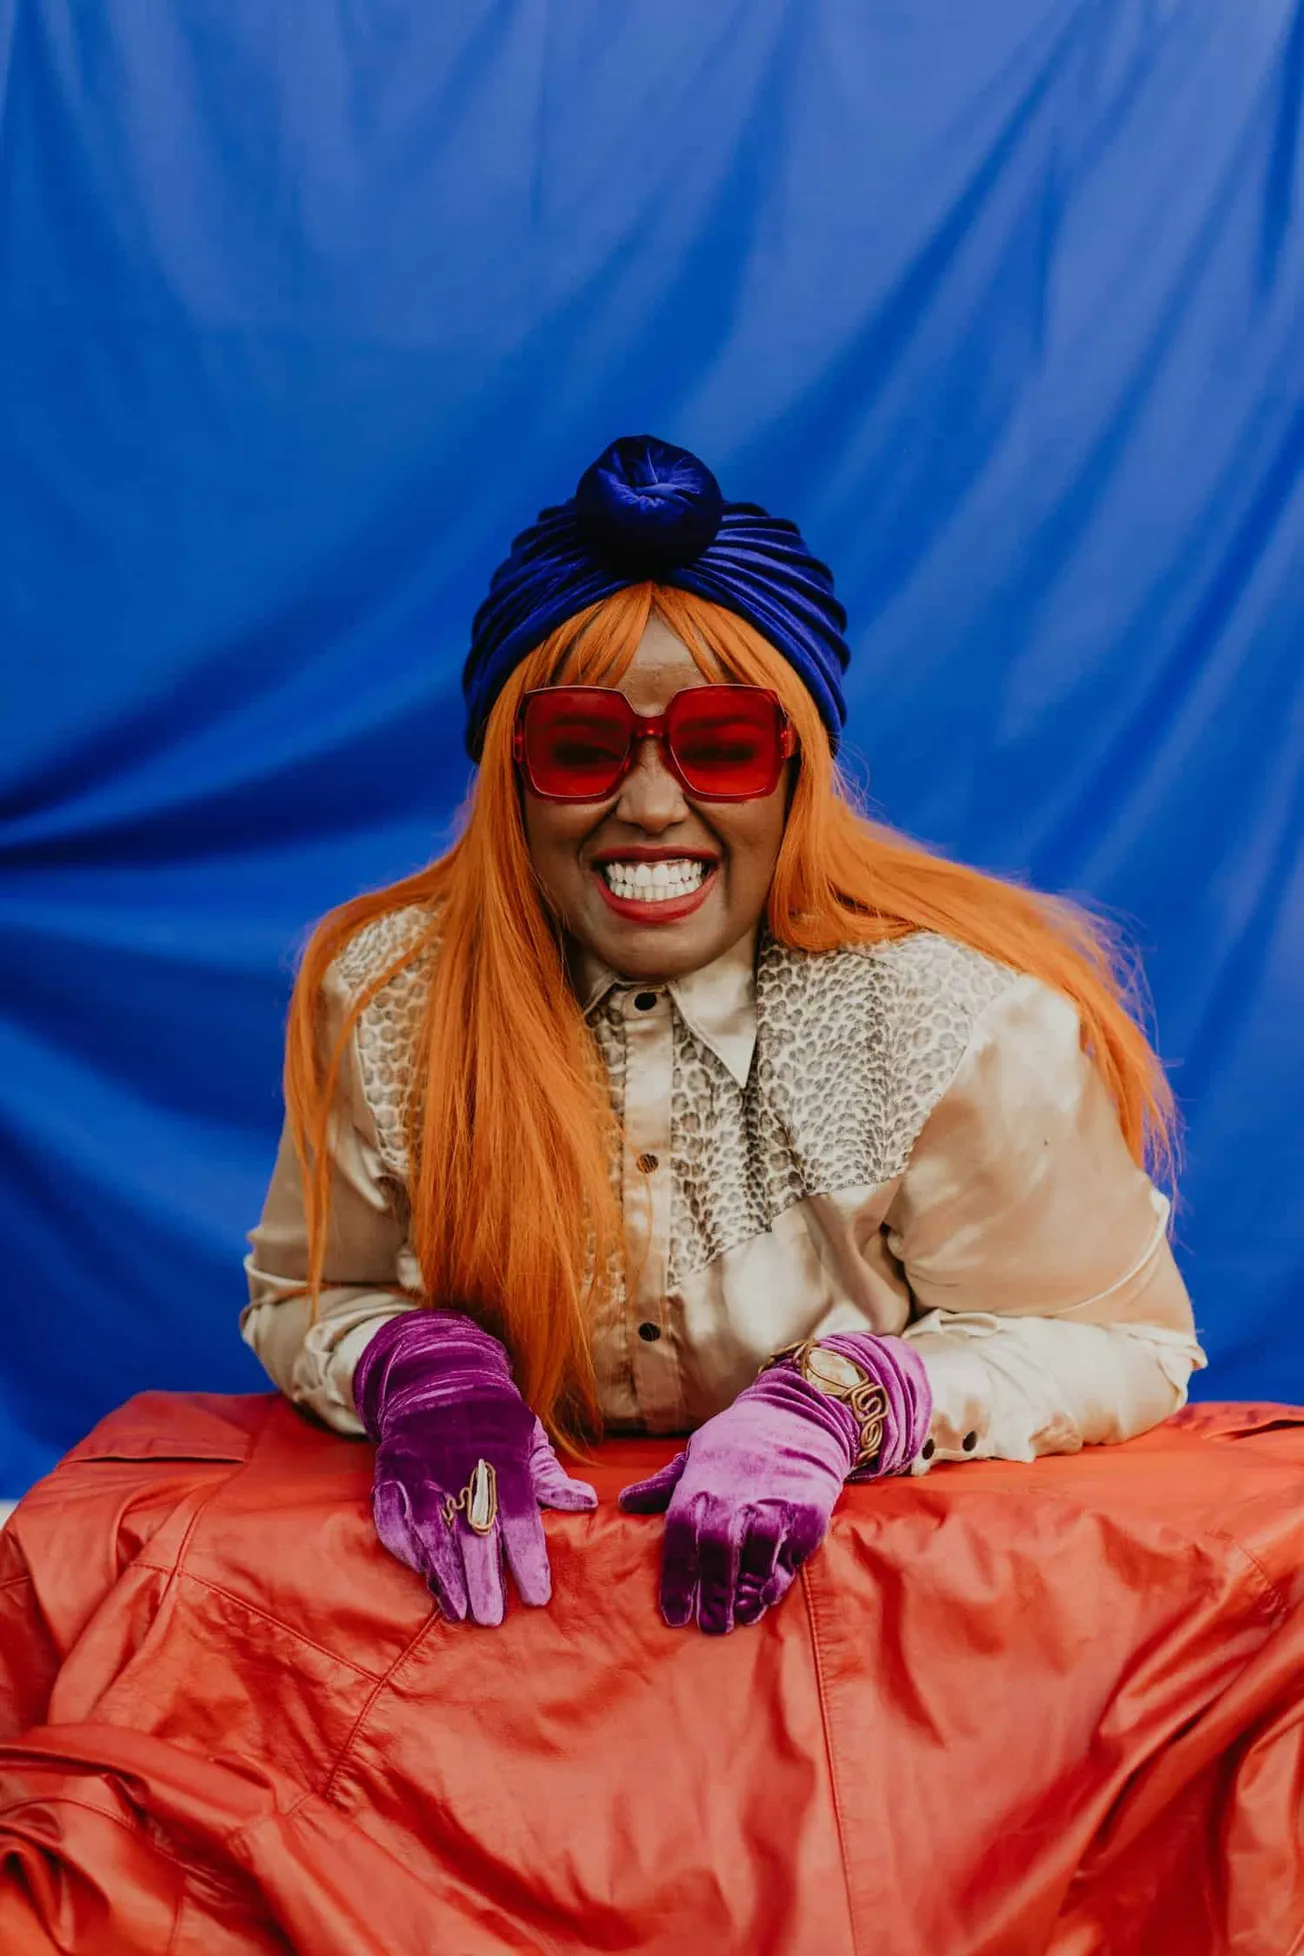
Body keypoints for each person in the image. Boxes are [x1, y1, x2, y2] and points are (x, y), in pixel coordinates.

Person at [242, 434, 1206, 1636]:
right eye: (584, 747)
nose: (650, 805)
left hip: (883, 1640)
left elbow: (1115, 1340)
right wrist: (413, 1368)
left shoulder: (961, 1014)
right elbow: (311, 1295)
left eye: (722, 746)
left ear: (794, 773)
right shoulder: (385, 999)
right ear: (511, 778)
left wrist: (855, 1399)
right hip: (504, 1645)